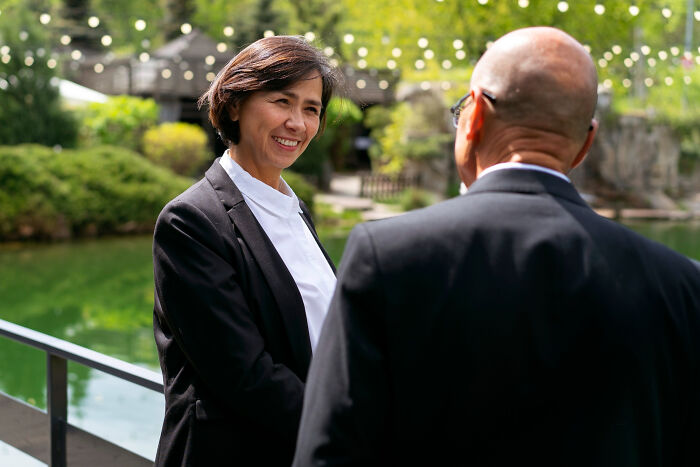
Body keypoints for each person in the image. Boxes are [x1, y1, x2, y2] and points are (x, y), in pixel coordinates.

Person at [293, 27, 700, 466]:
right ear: (586, 143)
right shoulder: (680, 284)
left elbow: (329, 454)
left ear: (476, 117)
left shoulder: (387, 256)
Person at [152, 35, 340, 466]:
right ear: (234, 105)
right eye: (281, 101)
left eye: (311, 109)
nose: (298, 122)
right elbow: (245, 373)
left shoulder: (295, 211)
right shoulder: (191, 221)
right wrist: (346, 427)